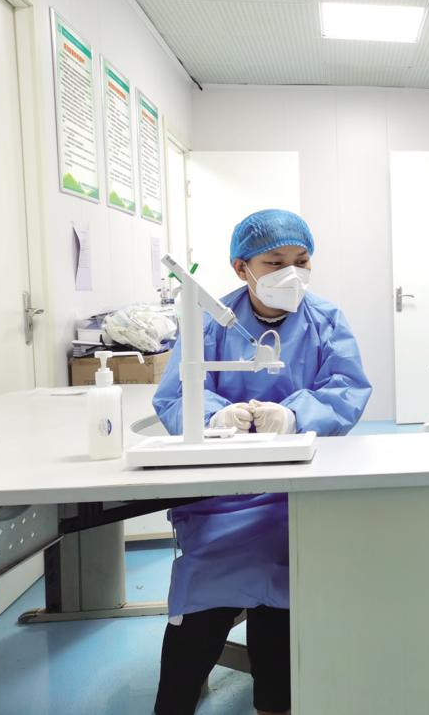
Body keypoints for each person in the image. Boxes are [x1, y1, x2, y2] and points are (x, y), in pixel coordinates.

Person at [152, 208, 372, 715]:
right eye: (275, 262)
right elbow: (175, 394)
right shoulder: (208, 320)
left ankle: (275, 703)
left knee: (287, 594)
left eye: (302, 260)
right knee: (205, 591)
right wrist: (215, 416)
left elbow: (347, 388)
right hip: (221, 501)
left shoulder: (326, 320)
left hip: (299, 496)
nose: (291, 273)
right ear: (241, 267)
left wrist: (294, 415)